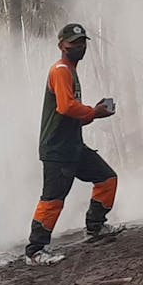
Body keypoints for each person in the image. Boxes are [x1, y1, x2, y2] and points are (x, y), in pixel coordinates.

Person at [24, 23, 119, 266]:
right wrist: (94, 112)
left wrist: (90, 113)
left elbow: (69, 113)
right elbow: (65, 107)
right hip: (57, 149)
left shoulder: (70, 71)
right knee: (53, 198)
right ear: (61, 46)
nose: (79, 47)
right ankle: (35, 250)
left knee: (107, 178)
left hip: (73, 145)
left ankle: (95, 227)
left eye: (82, 42)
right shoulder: (61, 70)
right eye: (74, 43)